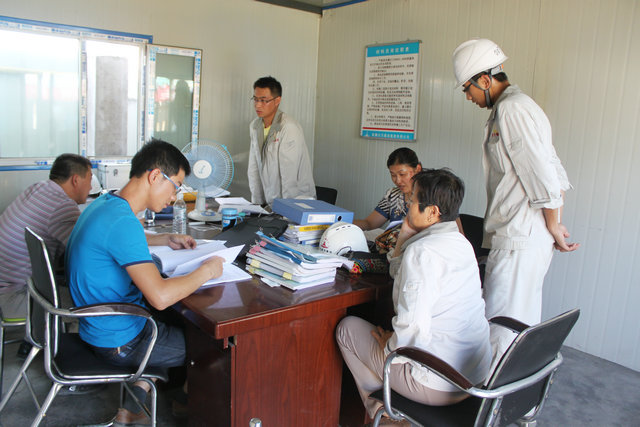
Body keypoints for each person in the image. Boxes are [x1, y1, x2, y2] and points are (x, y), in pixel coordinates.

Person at [66, 139, 224, 426]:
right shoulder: (123, 222)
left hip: (97, 326)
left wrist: (165, 238)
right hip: (120, 341)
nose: (174, 197)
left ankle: (137, 399)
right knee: (215, 344)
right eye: (175, 186)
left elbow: (119, 240)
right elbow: (160, 297)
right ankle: (184, 402)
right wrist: (208, 271)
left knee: (184, 321)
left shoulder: (105, 204)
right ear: (155, 176)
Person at [451, 38, 580, 368]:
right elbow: (553, 169)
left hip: (519, 239)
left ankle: (492, 396)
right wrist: (553, 222)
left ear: (484, 80)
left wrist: (553, 224)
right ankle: (513, 393)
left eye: (467, 89)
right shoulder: (514, 107)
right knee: (517, 324)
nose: (468, 97)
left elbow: (543, 174)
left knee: (501, 329)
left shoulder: (513, 109)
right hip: (522, 236)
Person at [336, 169, 491, 424]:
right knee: (389, 335)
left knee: (347, 329)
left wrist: (391, 346)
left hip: (436, 383)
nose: (407, 206)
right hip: (473, 378)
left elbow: (412, 327)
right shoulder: (461, 243)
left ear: (432, 212)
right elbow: (401, 275)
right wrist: (404, 238)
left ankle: (385, 415)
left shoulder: (423, 251)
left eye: (413, 200)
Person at [0, 154, 93, 326]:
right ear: (75, 180)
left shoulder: (38, 188)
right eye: (89, 179)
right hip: (13, 296)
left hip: (7, 284)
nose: (91, 187)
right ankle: (68, 340)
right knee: (93, 302)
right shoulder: (63, 206)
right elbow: (88, 253)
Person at [247, 76, 316, 206]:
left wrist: (286, 210)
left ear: (277, 100)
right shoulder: (255, 126)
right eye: (255, 99)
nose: (258, 105)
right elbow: (254, 168)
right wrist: (256, 205)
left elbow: (289, 177)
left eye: (264, 100)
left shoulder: (288, 127)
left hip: (296, 203)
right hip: (271, 203)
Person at [353, 147, 422, 233]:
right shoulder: (393, 195)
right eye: (393, 175)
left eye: (402, 174)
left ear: (418, 169)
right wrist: (342, 223)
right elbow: (369, 223)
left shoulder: (431, 196)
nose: (398, 181)